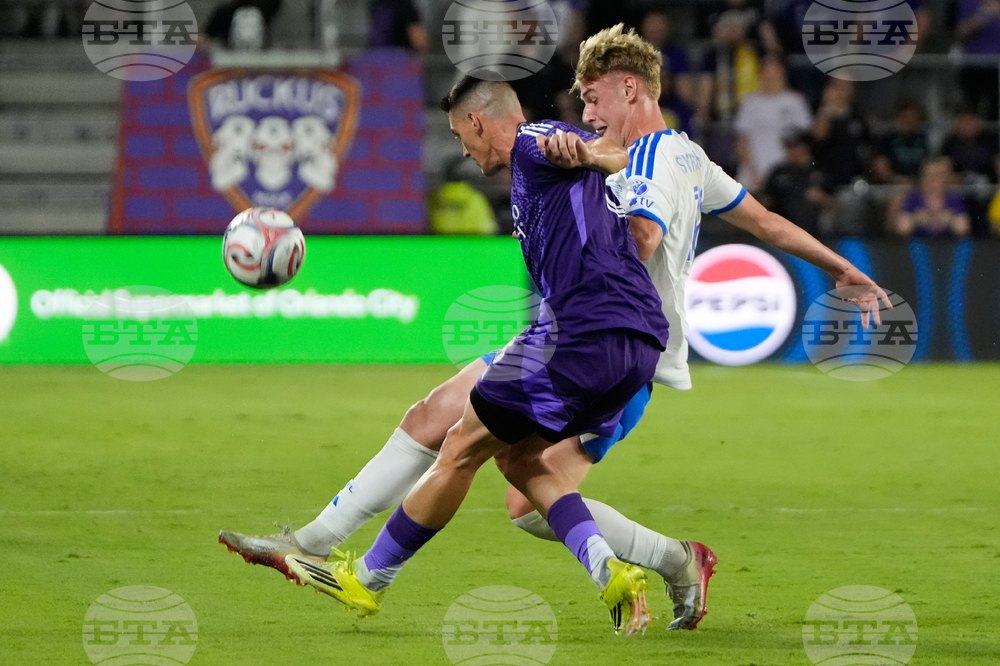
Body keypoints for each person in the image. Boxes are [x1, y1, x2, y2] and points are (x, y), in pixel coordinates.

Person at [229, 77, 678, 635]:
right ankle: (607, 568)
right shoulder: (535, 174)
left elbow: (608, 151)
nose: (463, 150)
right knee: (515, 460)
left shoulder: (534, 140)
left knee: (460, 447)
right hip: (636, 343)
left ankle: (368, 579)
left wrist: (591, 151)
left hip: (578, 332)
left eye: (460, 135)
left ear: (477, 122)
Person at [733, 54, 812, 192]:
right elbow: (742, 142)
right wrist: (753, 172)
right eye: (767, 74)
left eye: (775, 74)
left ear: (783, 74)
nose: (771, 79)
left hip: (787, 170)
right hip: (755, 170)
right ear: (761, 75)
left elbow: (804, 141)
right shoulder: (750, 102)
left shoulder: (796, 101)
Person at [761, 132, 832, 237]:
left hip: (814, 228)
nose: (793, 151)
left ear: (805, 147)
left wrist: (822, 199)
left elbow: (832, 203)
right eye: (790, 147)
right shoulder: (778, 172)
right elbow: (766, 198)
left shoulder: (818, 170)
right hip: (782, 227)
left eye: (797, 147)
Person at [811, 78, 870, 190]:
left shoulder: (858, 118)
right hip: (827, 180)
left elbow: (867, 147)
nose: (842, 91)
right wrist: (827, 107)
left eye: (847, 86)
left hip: (853, 179)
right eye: (838, 86)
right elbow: (817, 137)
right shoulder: (823, 116)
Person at [891, 157, 971, 237]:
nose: (933, 181)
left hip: (948, 245)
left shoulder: (953, 199)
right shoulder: (913, 198)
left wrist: (949, 219)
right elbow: (902, 228)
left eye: (938, 176)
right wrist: (917, 219)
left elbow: (963, 228)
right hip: (916, 245)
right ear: (922, 178)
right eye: (929, 175)